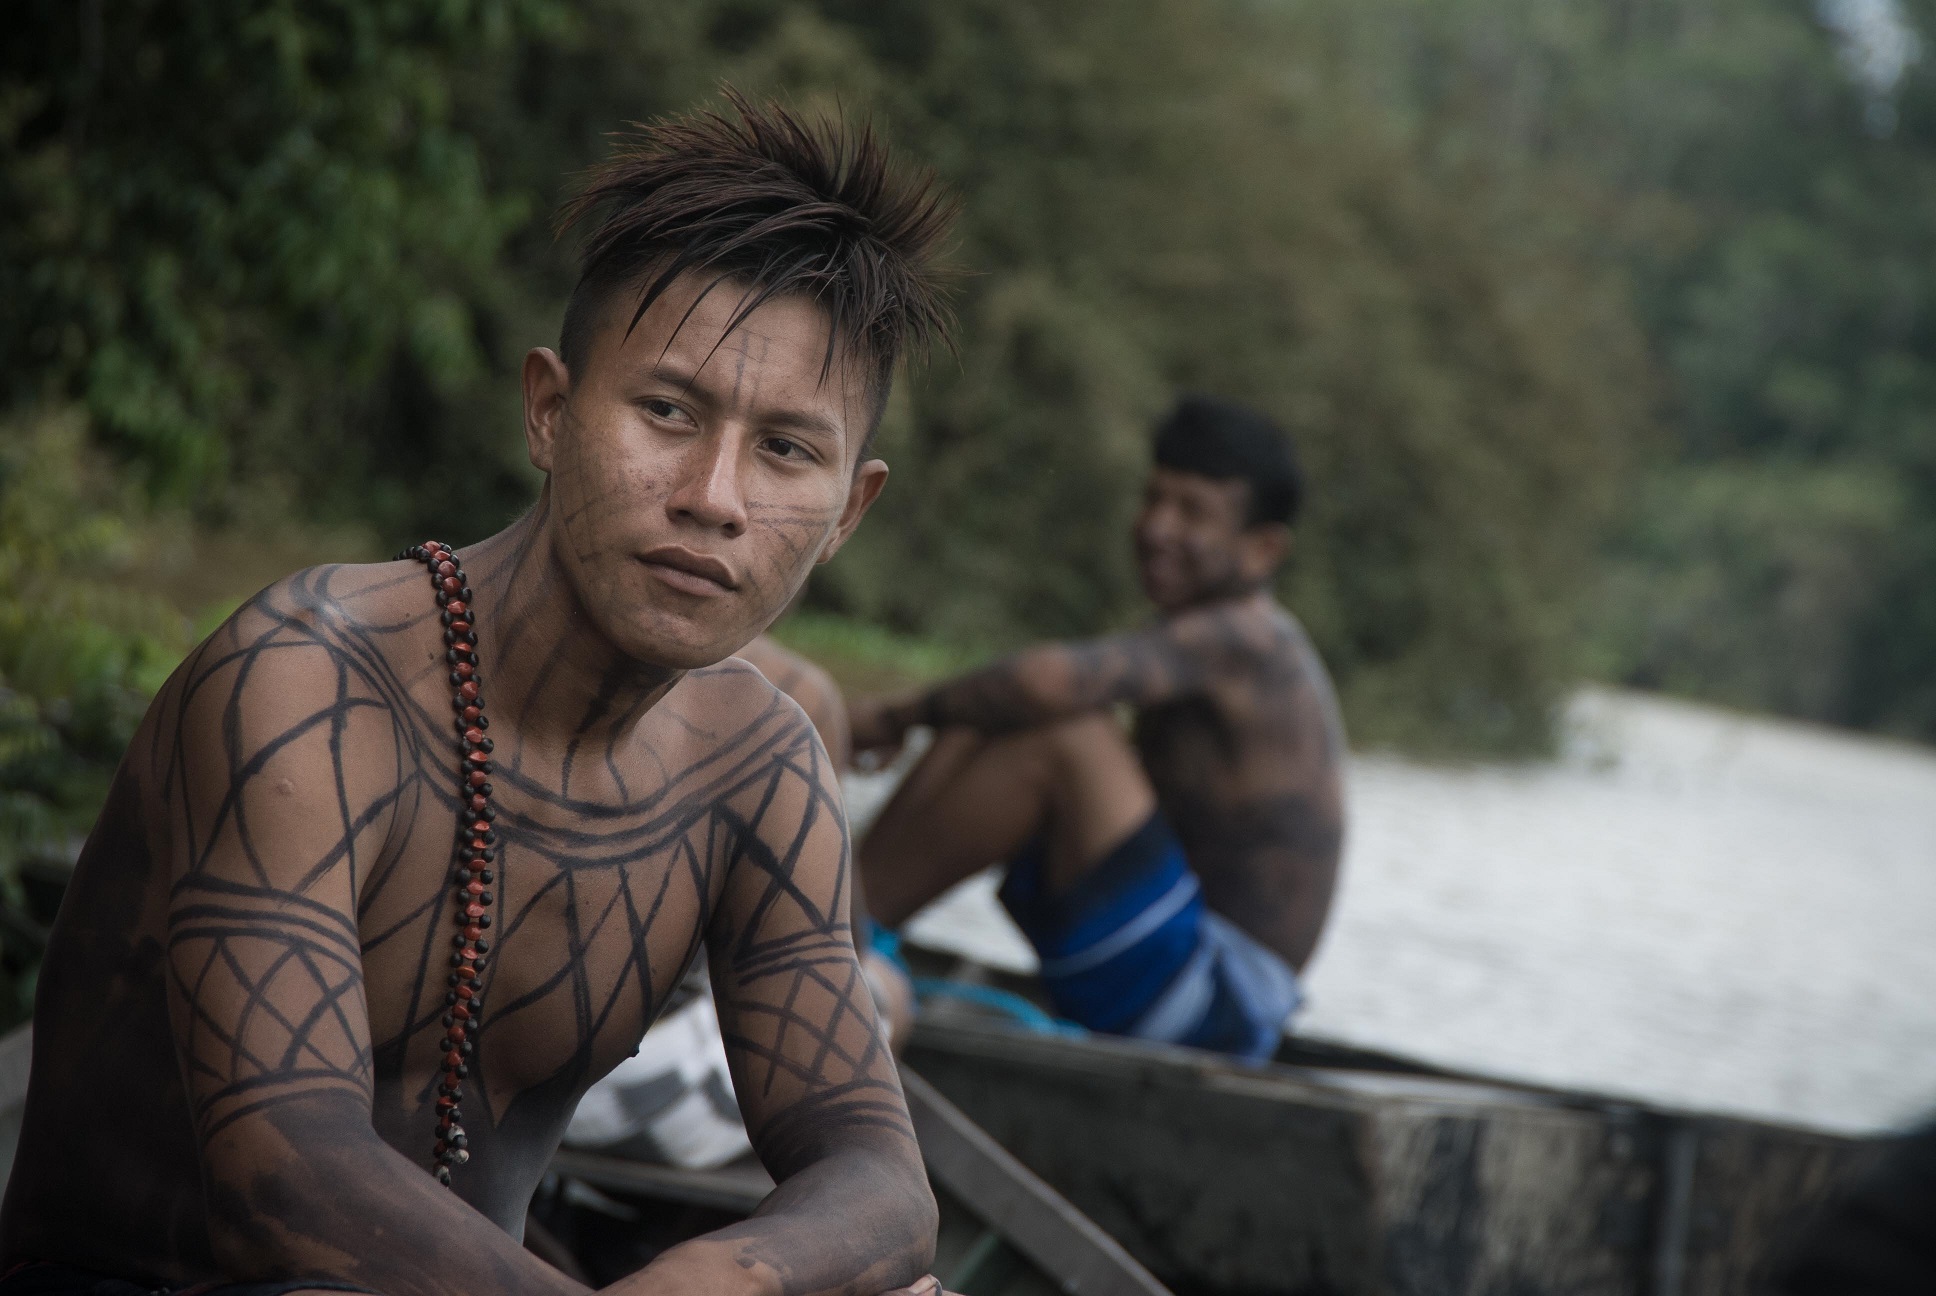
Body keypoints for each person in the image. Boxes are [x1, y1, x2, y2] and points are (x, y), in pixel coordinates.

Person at [0, 94, 957, 1296]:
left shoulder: (755, 766)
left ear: (848, 511)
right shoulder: (308, 683)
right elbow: (284, 1179)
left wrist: (735, 1275)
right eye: (667, 412)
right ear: (549, 411)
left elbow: (876, 1174)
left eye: (786, 450)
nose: (714, 497)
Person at [851, 396, 1345, 1062]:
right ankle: (840, 916)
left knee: (1064, 730)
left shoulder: (1247, 639)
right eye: (1154, 498)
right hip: (1169, 960)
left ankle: (829, 930)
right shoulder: (1200, 638)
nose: (1157, 527)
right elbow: (1018, 695)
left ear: (1263, 549)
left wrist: (889, 717)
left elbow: (1046, 684)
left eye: (1192, 511)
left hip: (1214, 1003)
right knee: (989, 713)